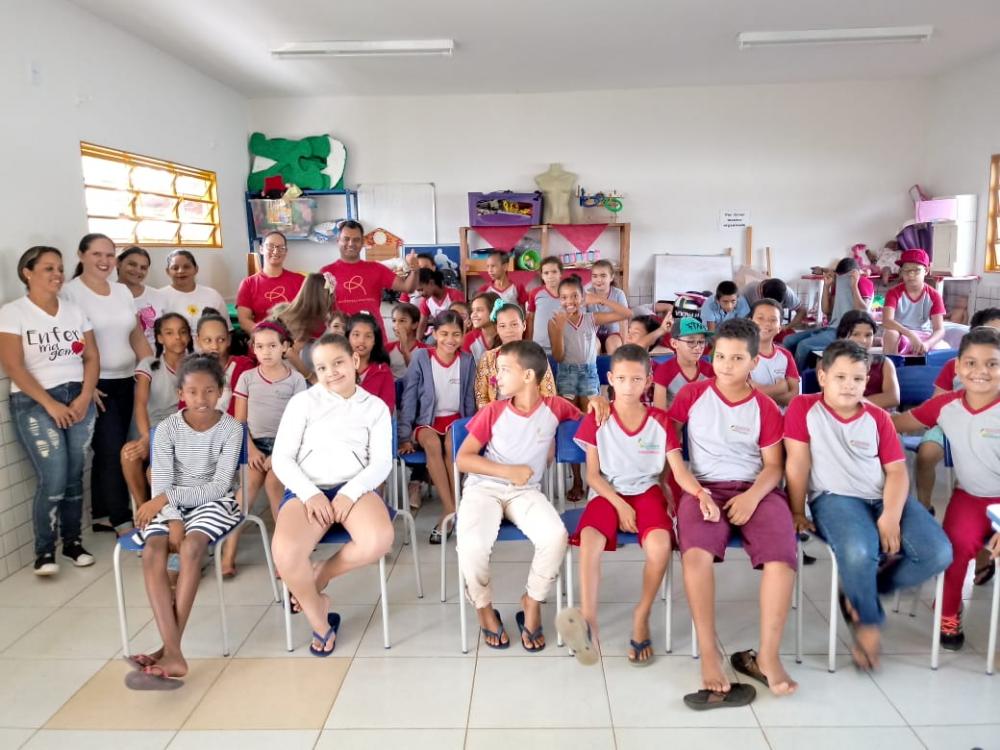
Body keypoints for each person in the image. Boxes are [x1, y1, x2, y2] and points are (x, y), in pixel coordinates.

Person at [784, 340, 951, 669]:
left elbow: (897, 472)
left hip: (882, 496)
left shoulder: (877, 417)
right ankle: (869, 624)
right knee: (860, 551)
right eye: (841, 377)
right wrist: (797, 510)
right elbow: (798, 464)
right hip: (834, 498)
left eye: (858, 379)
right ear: (822, 376)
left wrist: (890, 515)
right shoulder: (803, 408)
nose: (849, 386)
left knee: (938, 552)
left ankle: (863, 592)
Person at [667, 318, 798, 702]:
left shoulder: (765, 407)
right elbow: (668, 441)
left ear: (754, 363)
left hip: (755, 490)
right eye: (720, 355)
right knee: (696, 556)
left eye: (737, 358)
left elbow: (773, 465)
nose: (725, 364)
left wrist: (753, 496)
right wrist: (683, 490)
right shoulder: (692, 395)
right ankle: (709, 652)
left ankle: (768, 657)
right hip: (703, 490)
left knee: (781, 558)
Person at [270, 333, 395, 654]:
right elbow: (282, 458)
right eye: (322, 367)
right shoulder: (303, 403)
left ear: (354, 361)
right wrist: (309, 494)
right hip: (306, 488)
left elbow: (381, 462)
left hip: (353, 487)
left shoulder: (375, 407)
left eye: (338, 362)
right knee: (285, 554)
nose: (332, 372)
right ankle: (320, 620)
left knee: (378, 539)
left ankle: (321, 575)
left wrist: (350, 492)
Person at [127, 354, 244, 685]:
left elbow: (220, 485)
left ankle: (169, 650)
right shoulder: (166, 428)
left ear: (221, 390)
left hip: (215, 501)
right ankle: (174, 653)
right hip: (171, 501)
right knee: (153, 548)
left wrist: (166, 500)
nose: (201, 399)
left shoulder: (232, 428)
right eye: (193, 392)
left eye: (209, 391)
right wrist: (172, 515)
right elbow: (162, 480)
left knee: (192, 547)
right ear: (181, 393)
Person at [456, 340, 578, 651]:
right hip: (484, 488)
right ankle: (484, 609)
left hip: (526, 492)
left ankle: (532, 601)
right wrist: (508, 472)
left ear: (527, 376)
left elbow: (584, 419)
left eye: (504, 370)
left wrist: (601, 405)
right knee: (472, 545)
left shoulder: (555, 407)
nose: (496, 377)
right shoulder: (493, 411)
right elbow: (463, 459)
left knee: (555, 536)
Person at [558, 345, 673, 667]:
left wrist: (666, 490)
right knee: (590, 542)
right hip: (608, 491)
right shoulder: (598, 416)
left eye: (637, 379)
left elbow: (666, 467)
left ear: (649, 381)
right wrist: (620, 506)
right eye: (621, 378)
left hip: (647, 490)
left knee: (660, 547)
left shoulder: (659, 419)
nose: (628, 385)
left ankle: (642, 614)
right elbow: (593, 476)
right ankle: (589, 621)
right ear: (610, 379)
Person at [892, 326, 1000, 650]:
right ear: (957, 368)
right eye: (970, 363)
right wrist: (851, 411)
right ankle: (948, 613)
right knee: (954, 550)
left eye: (992, 364)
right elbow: (902, 421)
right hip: (970, 497)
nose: (980, 372)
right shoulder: (947, 405)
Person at [0, 246, 99, 575]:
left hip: (77, 396)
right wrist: (50, 404)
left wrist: (85, 395)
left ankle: (72, 542)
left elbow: (91, 357)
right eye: (48, 268)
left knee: (74, 474)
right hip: (36, 402)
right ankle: (44, 550)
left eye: (59, 268)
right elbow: (14, 367)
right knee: (54, 476)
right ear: (27, 273)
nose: (58, 274)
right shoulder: (13, 313)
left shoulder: (74, 310)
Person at [63, 233, 153, 534]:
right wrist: (85, 384)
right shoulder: (69, 293)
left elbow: (136, 335)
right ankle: (121, 518)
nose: (104, 261)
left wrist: (149, 368)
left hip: (130, 380)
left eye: (109, 255)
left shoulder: (121, 292)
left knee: (130, 445)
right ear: (81, 255)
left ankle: (102, 512)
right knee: (112, 449)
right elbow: (67, 343)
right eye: (97, 254)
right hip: (98, 385)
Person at [221, 321, 307, 577]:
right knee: (245, 491)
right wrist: (254, 451)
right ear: (253, 350)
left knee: (274, 486)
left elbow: (299, 425)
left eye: (272, 346)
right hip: (254, 445)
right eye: (260, 346)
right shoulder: (247, 378)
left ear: (285, 347)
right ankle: (228, 554)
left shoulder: (296, 380)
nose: (266, 351)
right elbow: (240, 422)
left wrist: (277, 455)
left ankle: (285, 556)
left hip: (287, 447)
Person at [549, 276, 632, 502]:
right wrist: (557, 330)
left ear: (582, 297)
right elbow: (557, 356)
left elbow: (627, 314)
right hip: (566, 374)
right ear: (559, 299)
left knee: (592, 424)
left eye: (575, 296)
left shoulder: (591, 318)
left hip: (589, 373)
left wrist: (598, 300)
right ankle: (576, 478)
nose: (570, 301)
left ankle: (594, 476)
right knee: (569, 426)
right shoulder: (555, 320)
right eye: (564, 297)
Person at [399, 311, 477, 543]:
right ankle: (450, 508)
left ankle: (451, 513)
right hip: (428, 422)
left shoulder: (467, 360)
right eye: (443, 334)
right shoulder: (422, 357)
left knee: (452, 444)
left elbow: (470, 399)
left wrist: (471, 430)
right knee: (433, 444)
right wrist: (404, 435)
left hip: (456, 419)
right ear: (434, 333)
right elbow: (409, 397)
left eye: (456, 334)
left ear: (463, 336)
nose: (449, 340)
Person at [121, 313, 193, 512]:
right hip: (153, 430)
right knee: (129, 454)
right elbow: (140, 404)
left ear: (189, 336)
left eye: (182, 332)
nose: (177, 337)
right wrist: (147, 437)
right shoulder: (149, 365)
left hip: (183, 430)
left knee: (156, 471)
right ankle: (144, 510)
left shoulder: (196, 365)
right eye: (169, 333)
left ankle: (168, 513)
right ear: (160, 338)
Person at [319, 220, 419, 339]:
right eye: (346, 239)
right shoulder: (326, 272)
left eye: (356, 239)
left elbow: (408, 288)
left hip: (374, 339)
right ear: (338, 241)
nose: (351, 243)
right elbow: (319, 308)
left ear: (362, 243)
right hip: (342, 339)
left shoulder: (376, 269)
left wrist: (415, 269)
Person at [785, 258, 875, 371]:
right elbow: (826, 310)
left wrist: (854, 286)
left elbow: (862, 311)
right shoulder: (838, 283)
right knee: (788, 340)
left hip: (847, 332)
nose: (842, 279)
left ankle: (798, 380)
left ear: (855, 273)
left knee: (804, 346)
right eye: (840, 276)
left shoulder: (864, 282)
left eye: (845, 277)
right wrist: (827, 286)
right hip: (831, 327)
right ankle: (789, 373)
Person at [475, 301, 556, 407]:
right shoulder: (487, 358)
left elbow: (549, 394)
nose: (509, 330)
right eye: (503, 326)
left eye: (514, 324)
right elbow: (481, 397)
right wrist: (492, 418)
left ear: (524, 325)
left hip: (532, 417)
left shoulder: (537, 355)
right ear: (497, 329)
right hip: (498, 418)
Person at [236, 231, 305, 333]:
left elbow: (307, 317)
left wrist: (295, 346)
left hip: (293, 342)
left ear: (286, 252)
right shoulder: (248, 283)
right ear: (261, 249)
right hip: (262, 343)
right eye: (270, 246)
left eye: (281, 247)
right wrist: (267, 336)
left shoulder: (300, 281)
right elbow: (244, 320)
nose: (276, 251)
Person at [881, 249, 947, 356]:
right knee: (890, 334)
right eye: (906, 270)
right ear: (901, 272)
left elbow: (939, 330)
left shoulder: (934, 295)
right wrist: (910, 334)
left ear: (926, 271)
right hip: (900, 333)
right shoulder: (893, 293)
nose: (911, 274)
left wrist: (927, 344)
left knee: (943, 350)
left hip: (924, 336)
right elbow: (887, 321)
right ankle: (891, 367)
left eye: (916, 270)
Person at [273, 273, 335, 378]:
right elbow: (291, 353)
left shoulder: (288, 313)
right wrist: (311, 377)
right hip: (292, 375)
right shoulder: (315, 321)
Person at [835, 310, 900, 411]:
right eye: (856, 334)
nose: (863, 340)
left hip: (880, 418)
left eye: (868, 335)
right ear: (842, 336)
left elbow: (893, 398)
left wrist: (856, 405)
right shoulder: (830, 362)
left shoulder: (884, 363)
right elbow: (834, 399)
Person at [195, 308, 254, 417]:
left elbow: (240, 408)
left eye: (221, 340)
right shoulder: (193, 368)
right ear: (198, 340)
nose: (215, 346)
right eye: (208, 340)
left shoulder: (243, 366)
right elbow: (185, 406)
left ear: (229, 340)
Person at [651, 318, 715, 410]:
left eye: (701, 342)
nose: (698, 347)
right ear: (674, 343)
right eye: (691, 342)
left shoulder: (710, 371)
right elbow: (660, 413)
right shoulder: (664, 371)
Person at [159, 249, 229, 331]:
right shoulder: (159, 296)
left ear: (196, 269)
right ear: (168, 271)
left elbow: (227, 331)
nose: (181, 271)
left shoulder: (213, 295)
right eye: (175, 268)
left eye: (186, 267)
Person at [748, 299, 799, 409]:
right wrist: (780, 388)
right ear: (750, 322)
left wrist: (760, 390)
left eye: (773, 320)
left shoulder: (786, 356)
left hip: (780, 418)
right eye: (760, 318)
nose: (766, 323)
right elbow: (744, 394)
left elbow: (794, 396)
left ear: (779, 328)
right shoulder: (741, 354)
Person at [116, 245, 166, 347]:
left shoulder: (158, 296)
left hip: (154, 358)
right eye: (132, 264)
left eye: (143, 268)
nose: (138, 270)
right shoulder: (105, 295)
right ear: (118, 263)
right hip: (120, 358)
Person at [348, 312, 395, 413]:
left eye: (368, 336)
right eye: (356, 335)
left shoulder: (383, 372)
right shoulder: (338, 367)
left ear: (375, 341)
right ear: (348, 337)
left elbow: (386, 410)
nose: (361, 340)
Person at [585, 259, 630, 354]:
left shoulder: (618, 294)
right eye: (595, 276)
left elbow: (624, 322)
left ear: (611, 277)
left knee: (613, 345)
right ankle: (596, 368)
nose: (598, 280)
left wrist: (625, 346)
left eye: (603, 276)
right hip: (593, 334)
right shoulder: (587, 295)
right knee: (592, 346)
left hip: (614, 334)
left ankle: (615, 368)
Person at [740, 278, 807, 335]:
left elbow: (802, 311)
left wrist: (787, 327)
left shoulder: (786, 292)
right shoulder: (748, 292)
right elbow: (739, 318)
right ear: (761, 293)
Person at [526, 255, 564, 354]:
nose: (550, 276)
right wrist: (529, 342)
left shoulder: (568, 293)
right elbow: (530, 318)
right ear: (542, 276)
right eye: (546, 273)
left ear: (561, 273)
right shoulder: (535, 293)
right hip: (539, 347)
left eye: (554, 272)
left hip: (563, 345)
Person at [415, 269, 464, 341]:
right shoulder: (426, 302)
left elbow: (461, 321)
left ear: (431, 283)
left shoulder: (454, 295)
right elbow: (422, 324)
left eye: (421, 290)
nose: (420, 294)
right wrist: (417, 343)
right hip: (439, 333)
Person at [387, 302, 424, 379]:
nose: (396, 325)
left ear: (414, 325)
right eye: (394, 320)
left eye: (402, 321)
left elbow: (418, 373)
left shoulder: (424, 350)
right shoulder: (388, 348)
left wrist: (404, 348)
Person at [462, 291, 501, 363]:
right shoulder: (469, 339)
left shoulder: (507, 335)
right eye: (472, 311)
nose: (473, 315)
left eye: (479, 310)